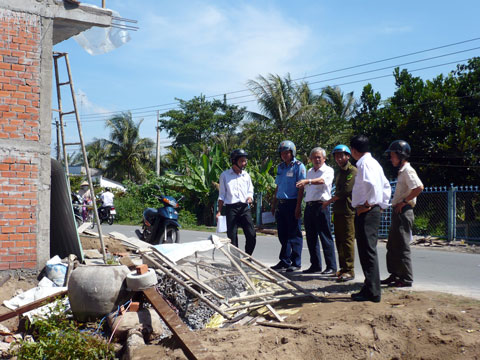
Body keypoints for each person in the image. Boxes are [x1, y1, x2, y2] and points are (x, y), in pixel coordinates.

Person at [350, 135, 391, 302]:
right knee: (367, 250)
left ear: (353, 150)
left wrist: (368, 204)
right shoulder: (374, 163)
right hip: (372, 209)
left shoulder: (365, 164)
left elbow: (372, 185)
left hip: (366, 211)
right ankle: (369, 287)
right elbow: (386, 186)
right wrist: (381, 205)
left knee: (367, 251)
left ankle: (373, 291)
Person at [382, 140, 424, 288]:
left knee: (402, 245)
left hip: (404, 212)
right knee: (392, 245)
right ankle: (395, 274)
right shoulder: (401, 171)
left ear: (401, 156)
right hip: (398, 211)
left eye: (393, 155)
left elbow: (419, 187)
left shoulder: (407, 170)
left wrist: (404, 201)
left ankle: (406, 278)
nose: (391, 158)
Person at [296, 147, 337, 275]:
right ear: (311, 159)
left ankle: (331, 266)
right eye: (314, 157)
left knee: (325, 236)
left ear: (324, 159)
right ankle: (315, 265)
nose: (317, 159)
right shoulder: (310, 171)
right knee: (311, 237)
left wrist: (307, 181)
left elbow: (322, 181)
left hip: (321, 205)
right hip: (310, 205)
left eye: (319, 157)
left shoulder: (328, 170)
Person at [322, 144, 357, 282]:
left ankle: (349, 270)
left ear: (348, 156)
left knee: (348, 241)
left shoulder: (353, 171)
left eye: (341, 155)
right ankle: (342, 269)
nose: (339, 158)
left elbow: (345, 191)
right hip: (338, 210)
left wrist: (328, 201)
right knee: (340, 241)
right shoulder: (339, 172)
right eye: (336, 156)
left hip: (348, 210)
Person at [270, 140, 306, 272]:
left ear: (292, 153)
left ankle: (296, 263)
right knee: (283, 234)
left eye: (287, 153)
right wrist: (274, 204)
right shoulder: (280, 167)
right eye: (282, 153)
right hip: (281, 203)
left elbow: (301, 189)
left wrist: (298, 207)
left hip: (293, 202)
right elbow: (278, 186)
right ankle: (284, 260)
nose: (284, 155)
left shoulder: (299, 166)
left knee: (295, 234)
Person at [216, 149, 256, 255]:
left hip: (244, 208)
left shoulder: (246, 175)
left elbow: (250, 190)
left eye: (245, 161)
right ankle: (236, 263)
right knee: (232, 237)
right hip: (231, 208)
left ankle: (248, 257)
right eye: (242, 161)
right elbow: (222, 195)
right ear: (234, 161)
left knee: (251, 234)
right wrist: (219, 211)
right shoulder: (225, 175)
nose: (244, 163)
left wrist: (250, 197)